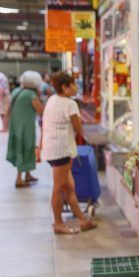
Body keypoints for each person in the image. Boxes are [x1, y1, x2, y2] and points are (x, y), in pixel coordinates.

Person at [41, 71, 97, 234]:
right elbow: (78, 127)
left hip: (53, 147)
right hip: (61, 150)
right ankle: (58, 223)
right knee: (59, 187)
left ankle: (82, 219)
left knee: (69, 186)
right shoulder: (69, 104)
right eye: (72, 84)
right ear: (65, 88)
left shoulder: (53, 99)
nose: (75, 87)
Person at [6, 71, 43, 187]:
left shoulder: (16, 91)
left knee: (21, 148)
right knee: (26, 148)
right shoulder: (31, 95)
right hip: (26, 127)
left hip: (15, 125)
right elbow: (41, 111)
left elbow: (8, 109)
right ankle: (18, 179)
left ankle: (27, 174)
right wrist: (39, 96)